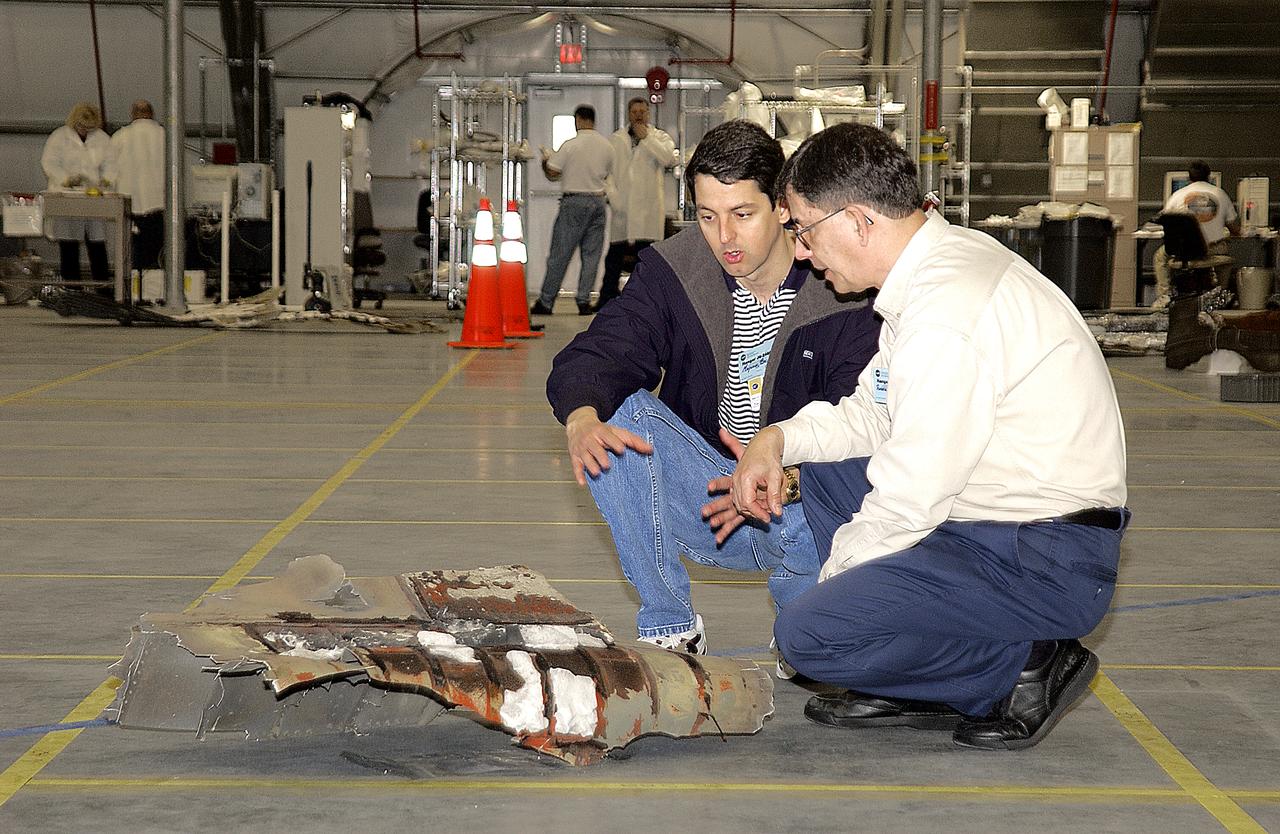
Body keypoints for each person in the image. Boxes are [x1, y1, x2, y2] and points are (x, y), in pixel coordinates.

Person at [726, 122, 1129, 750]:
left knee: (811, 637)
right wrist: (777, 438)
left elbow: (913, 492)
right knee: (832, 477)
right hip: (998, 523)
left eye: (803, 231)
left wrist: (834, 590)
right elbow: (873, 413)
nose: (802, 252)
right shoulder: (931, 276)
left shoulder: (948, 311)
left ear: (857, 221)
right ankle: (909, 674)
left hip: (1044, 557)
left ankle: (1022, 669)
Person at [546, 120, 881, 657]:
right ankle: (670, 626)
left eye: (742, 215)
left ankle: (804, 628)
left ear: (783, 206)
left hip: (800, 504)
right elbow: (603, 348)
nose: (724, 237)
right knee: (615, 418)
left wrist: (780, 474)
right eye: (707, 216)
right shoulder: (675, 271)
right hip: (708, 503)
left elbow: (864, 430)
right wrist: (582, 416)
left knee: (811, 652)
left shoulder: (838, 285)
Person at [530, 105, 614, 316]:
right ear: (593, 120)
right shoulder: (607, 146)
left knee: (560, 253)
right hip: (598, 203)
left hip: (574, 203)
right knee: (592, 255)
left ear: (578, 120)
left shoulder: (570, 145)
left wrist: (545, 160)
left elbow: (552, 172)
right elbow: (610, 174)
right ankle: (584, 301)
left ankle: (546, 301)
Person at [597, 97, 678, 311]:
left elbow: (668, 158)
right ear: (629, 114)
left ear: (649, 113)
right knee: (614, 256)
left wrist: (647, 140)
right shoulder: (616, 139)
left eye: (643, 111)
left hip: (648, 208)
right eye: (635, 111)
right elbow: (607, 171)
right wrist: (613, 196)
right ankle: (606, 298)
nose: (639, 115)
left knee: (647, 258)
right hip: (622, 207)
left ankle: (648, 301)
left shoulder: (659, 137)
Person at [1152, 160, 1239, 308]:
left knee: (1160, 257)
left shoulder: (1177, 195)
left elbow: (1166, 219)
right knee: (1226, 253)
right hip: (1211, 249)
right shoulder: (1220, 194)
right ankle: (1222, 295)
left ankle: (1164, 296)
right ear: (1209, 176)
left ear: (1189, 177)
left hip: (1183, 251)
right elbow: (1234, 228)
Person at [41, 102, 112, 285]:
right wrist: (65, 179)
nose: (84, 131)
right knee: (69, 243)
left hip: (92, 197)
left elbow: (111, 164)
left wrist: (106, 180)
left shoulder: (102, 139)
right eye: (81, 127)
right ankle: (71, 287)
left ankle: (102, 287)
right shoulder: (59, 137)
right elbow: (49, 162)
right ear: (74, 122)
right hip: (66, 195)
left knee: (96, 242)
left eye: (89, 128)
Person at [105, 100, 166, 270]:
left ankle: (132, 289)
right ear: (152, 114)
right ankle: (153, 289)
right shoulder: (165, 135)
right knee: (158, 254)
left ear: (132, 114)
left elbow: (109, 171)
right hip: (159, 206)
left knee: (132, 253)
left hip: (129, 206)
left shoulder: (120, 136)